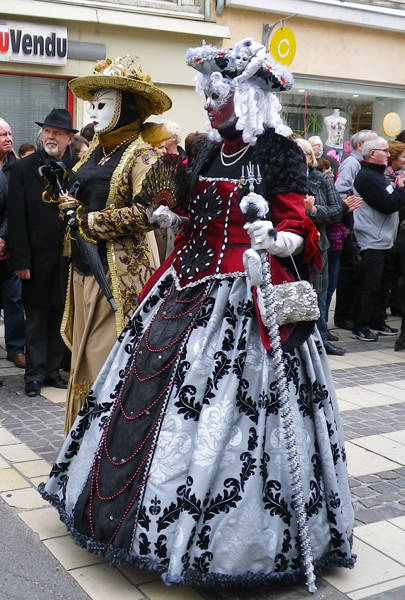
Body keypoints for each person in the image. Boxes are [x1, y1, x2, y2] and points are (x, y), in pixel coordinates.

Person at [40, 38, 355, 590]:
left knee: (233, 416)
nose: (207, 104)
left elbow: (302, 228)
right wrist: (171, 217)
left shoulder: (277, 150)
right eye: (205, 94)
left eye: (216, 94)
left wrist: (277, 240)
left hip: (242, 294)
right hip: (184, 285)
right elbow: (193, 212)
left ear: (246, 96)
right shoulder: (207, 149)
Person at [55, 56, 172, 432]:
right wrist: (68, 207)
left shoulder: (144, 155)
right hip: (84, 267)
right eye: (93, 104)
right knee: (83, 356)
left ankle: (110, 439)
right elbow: (79, 193)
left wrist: (89, 219)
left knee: (105, 355)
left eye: (103, 104)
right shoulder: (95, 151)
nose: (93, 112)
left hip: (121, 274)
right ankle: (81, 439)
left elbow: (147, 212)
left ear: (128, 109)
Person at [7, 108, 78, 397]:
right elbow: (16, 217)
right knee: (36, 318)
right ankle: (34, 375)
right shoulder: (24, 168)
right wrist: (20, 260)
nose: (50, 136)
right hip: (35, 256)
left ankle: (52, 370)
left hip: (68, 256)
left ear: (69, 138)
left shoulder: (78, 168)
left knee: (61, 315)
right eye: (47, 131)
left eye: (57, 132)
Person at [296, 138, 360, 356]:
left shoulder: (321, 180)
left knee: (320, 296)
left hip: (317, 246)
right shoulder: (282, 181)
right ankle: (297, 341)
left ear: (309, 157)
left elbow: (336, 210)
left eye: (302, 154)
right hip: (289, 248)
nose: (297, 159)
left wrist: (313, 212)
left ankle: (321, 340)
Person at [352, 136, 405, 342]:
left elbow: (388, 198)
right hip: (371, 238)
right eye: (385, 151)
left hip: (383, 239)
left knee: (382, 284)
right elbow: (388, 204)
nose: (389, 155)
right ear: (372, 153)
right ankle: (361, 325)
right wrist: (401, 189)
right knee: (369, 284)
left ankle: (377, 320)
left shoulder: (377, 175)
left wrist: (396, 189)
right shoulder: (367, 177)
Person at [334, 129, 378, 330]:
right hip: (350, 225)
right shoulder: (352, 163)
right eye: (373, 142)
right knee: (348, 273)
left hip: (357, 225)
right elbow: (340, 190)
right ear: (361, 146)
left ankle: (348, 314)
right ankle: (343, 316)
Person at [0, 118, 26, 369]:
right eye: (2, 135)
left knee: (15, 300)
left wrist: (4, 239)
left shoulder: (16, 168)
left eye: (10, 133)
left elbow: (15, 209)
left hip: (9, 248)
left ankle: (16, 348)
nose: (8, 138)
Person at [385, 141, 405, 317]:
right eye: (403, 157)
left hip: (398, 228)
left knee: (398, 268)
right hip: (390, 229)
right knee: (391, 269)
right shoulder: (387, 177)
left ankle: (396, 303)